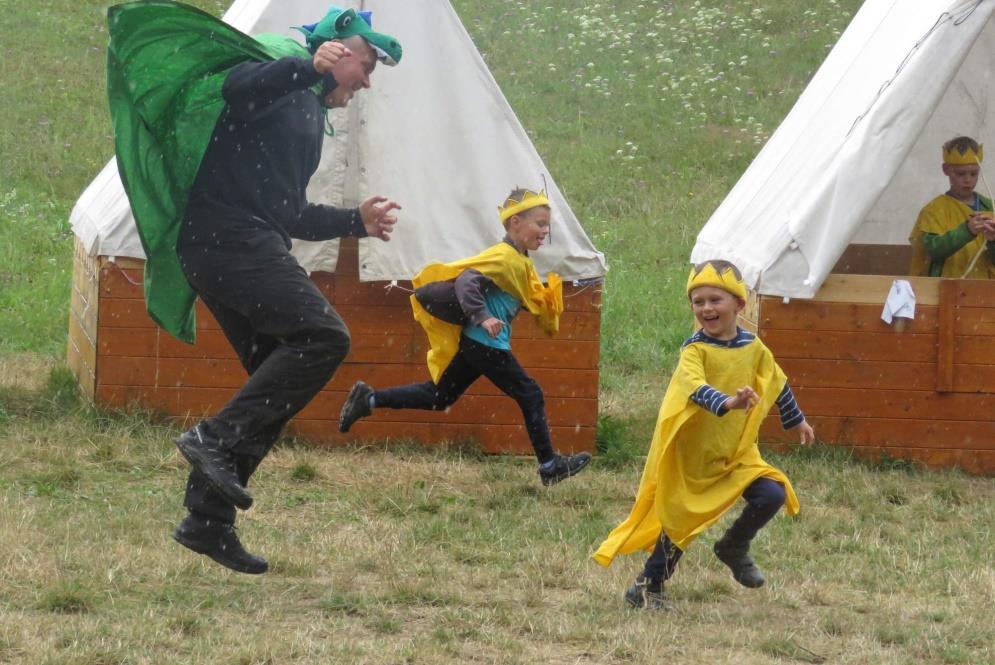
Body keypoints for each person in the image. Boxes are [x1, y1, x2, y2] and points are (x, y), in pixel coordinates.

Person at [137, 7, 404, 574]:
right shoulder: (281, 73)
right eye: (368, 63)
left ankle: (205, 521)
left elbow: (290, 213)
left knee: (274, 380)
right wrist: (306, 66)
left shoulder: (306, 110)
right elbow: (236, 88)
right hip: (226, 241)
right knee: (324, 337)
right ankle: (213, 436)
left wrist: (354, 221)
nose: (367, 81)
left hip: (234, 243)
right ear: (338, 50)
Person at [592, 260, 815, 610]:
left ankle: (733, 546)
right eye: (699, 302)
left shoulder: (752, 346)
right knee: (682, 523)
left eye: (715, 300)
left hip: (735, 452)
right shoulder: (694, 350)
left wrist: (796, 419)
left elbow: (775, 378)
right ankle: (648, 587)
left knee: (772, 493)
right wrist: (728, 401)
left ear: (739, 305)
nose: (706, 308)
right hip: (693, 455)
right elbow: (693, 387)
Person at [337, 187, 592, 486]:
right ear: (515, 223)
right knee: (530, 393)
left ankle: (368, 399)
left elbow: (513, 293)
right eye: (539, 224)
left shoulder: (519, 262)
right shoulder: (503, 257)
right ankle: (550, 466)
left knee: (439, 395)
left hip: (478, 345)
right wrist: (483, 317)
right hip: (487, 345)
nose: (544, 232)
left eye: (547, 225)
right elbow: (467, 281)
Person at [909, 136, 995, 278]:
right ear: (946, 170)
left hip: (985, 290)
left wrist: (993, 241)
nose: (968, 180)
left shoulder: (990, 206)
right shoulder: (934, 210)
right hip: (947, 289)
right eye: (960, 173)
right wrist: (967, 230)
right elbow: (932, 250)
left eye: (973, 173)